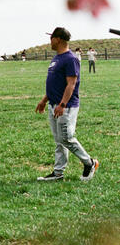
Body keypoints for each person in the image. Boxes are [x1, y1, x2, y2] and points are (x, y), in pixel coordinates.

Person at [35, 28, 99, 182]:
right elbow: (55, 83)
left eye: (51, 38)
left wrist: (62, 104)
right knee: (59, 141)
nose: (50, 41)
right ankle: (58, 173)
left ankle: (89, 162)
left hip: (66, 106)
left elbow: (71, 84)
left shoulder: (70, 59)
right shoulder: (56, 58)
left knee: (66, 138)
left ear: (57, 39)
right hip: (54, 105)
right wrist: (44, 100)